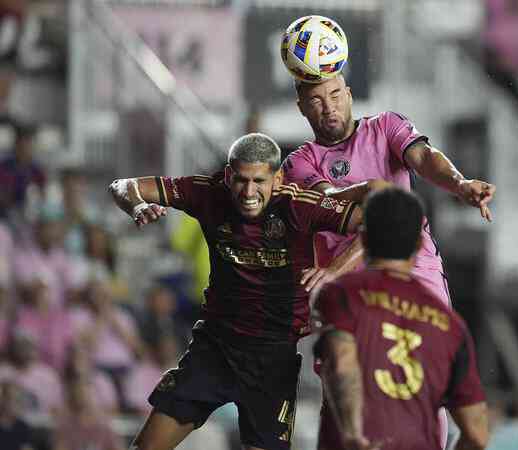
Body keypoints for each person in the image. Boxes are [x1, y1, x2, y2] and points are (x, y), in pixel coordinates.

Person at [108, 133, 372, 450]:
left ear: (277, 179)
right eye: (241, 180)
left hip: (272, 359)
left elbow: (373, 224)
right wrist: (136, 205)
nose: (248, 192)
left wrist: (335, 270)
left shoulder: (300, 205)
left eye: (258, 181)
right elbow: (123, 185)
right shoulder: (206, 192)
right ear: (229, 175)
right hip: (215, 348)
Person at [283, 71, 495, 447]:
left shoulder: (386, 127)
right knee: (346, 376)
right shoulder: (299, 164)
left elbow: (426, 158)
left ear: (349, 93)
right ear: (301, 106)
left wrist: (459, 184)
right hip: (350, 282)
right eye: (316, 100)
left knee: (425, 371)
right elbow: (333, 199)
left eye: (335, 95)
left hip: (410, 269)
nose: (329, 107)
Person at [313, 187, 489, 450]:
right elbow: (476, 434)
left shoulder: (340, 294)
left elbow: (341, 362)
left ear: (364, 238)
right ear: (419, 244)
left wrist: (352, 435)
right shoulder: (451, 325)